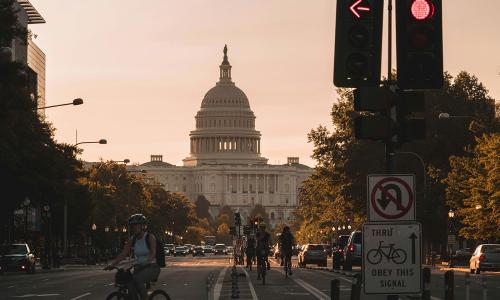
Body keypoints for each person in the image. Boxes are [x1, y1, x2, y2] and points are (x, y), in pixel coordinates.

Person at [104, 214, 160, 300]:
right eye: (132, 226)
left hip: (152, 267)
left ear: (142, 226)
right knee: (129, 283)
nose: (133, 228)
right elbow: (123, 254)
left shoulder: (150, 237)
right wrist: (112, 264)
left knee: (138, 280)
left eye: (136, 225)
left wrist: (146, 261)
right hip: (139, 268)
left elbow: (153, 253)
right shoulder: (132, 239)